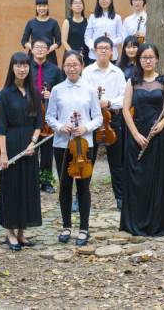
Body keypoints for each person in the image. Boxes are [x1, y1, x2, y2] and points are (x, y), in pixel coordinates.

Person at [120, 43, 164, 236]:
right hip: (137, 136)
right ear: (139, 60)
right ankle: (136, 221)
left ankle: (159, 222)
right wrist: (136, 134)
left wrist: (162, 124)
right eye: (144, 57)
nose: (147, 61)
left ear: (157, 59)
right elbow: (125, 110)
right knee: (138, 179)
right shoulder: (132, 81)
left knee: (158, 178)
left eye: (151, 57)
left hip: (157, 135)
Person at [46, 50, 102, 246]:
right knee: (65, 186)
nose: (71, 68)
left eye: (75, 64)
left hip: (85, 145)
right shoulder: (57, 90)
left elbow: (98, 117)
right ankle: (66, 226)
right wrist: (60, 126)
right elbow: (49, 116)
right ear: (63, 67)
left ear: (82, 66)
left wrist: (86, 127)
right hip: (62, 144)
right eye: (68, 65)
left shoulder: (90, 90)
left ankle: (84, 228)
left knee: (83, 187)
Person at [0, 52, 43, 251]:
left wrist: (33, 143)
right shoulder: (5, 94)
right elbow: (1, 127)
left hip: (29, 147)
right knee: (11, 188)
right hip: (11, 144)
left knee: (27, 188)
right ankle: (10, 232)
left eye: (25, 65)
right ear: (12, 68)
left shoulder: (35, 92)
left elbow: (39, 123)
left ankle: (22, 232)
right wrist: (3, 154)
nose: (22, 69)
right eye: (18, 65)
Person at [82, 36, 127, 209]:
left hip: (112, 119)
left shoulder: (118, 73)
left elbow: (124, 98)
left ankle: (120, 198)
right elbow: (82, 95)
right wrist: (95, 103)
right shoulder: (87, 72)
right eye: (100, 48)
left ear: (111, 52)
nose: (103, 50)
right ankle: (81, 197)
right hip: (91, 120)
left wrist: (108, 102)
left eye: (106, 48)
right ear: (94, 51)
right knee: (88, 160)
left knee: (117, 162)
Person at [30, 37, 64, 194]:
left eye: (43, 47)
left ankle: (46, 181)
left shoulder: (55, 70)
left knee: (47, 151)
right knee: (31, 148)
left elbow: (62, 91)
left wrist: (52, 95)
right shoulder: (25, 66)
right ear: (32, 49)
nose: (39, 50)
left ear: (48, 50)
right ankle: (31, 181)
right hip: (29, 113)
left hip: (48, 114)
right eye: (37, 47)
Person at [84, 0, 123, 64]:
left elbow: (121, 37)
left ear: (111, 0)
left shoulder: (117, 18)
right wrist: (94, 46)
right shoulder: (93, 17)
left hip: (111, 55)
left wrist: (110, 42)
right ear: (98, 1)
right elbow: (87, 36)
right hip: (94, 55)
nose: (103, 1)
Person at [21, 0, 62, 65]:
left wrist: (47, 50)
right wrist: (35, 49)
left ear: (48, 7)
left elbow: (58, 42)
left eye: (44, 6)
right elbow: (24, 41)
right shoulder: (31, 23)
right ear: (36, 8)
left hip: (50, 56)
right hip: (33, 57)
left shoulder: (54, 23)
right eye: (39, 6)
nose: (42, 8)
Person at [61, 0, 89, 64]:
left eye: (80, 3)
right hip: (70, 54)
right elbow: (63, 41)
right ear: (71, 6)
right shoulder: (67, 22)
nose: (78, 5)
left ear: (83, 6)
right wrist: (73, 54)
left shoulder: (88, 21)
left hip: (85, 54)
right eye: (75, 3)